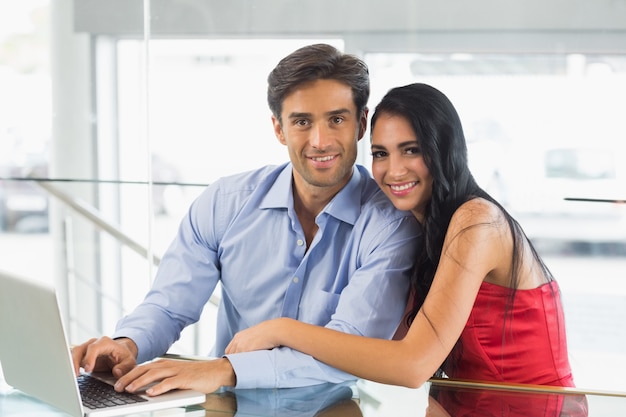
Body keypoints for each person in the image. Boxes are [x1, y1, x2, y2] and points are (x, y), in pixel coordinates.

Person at [70, 44, 422, 395]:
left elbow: (353, 348)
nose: (320, 141)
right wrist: (128, 343)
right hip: (228, 405)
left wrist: (226, 370)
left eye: (336, 119)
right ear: (279, 130)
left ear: (361, 124)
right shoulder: (224, 204)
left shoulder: (391, 226)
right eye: (302, 122)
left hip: (334, 407)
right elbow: (169, 304)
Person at [226, 83, 578, 391]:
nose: (393, 170)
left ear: (444, 149)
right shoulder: (419, 228)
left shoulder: (477, 222)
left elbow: (412, 365)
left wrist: (282, 330)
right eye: (381, 154)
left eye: (411, 150)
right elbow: (380, 349)